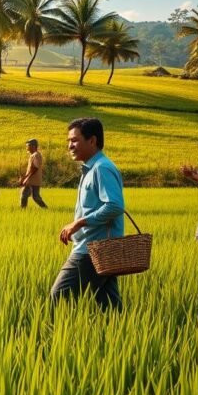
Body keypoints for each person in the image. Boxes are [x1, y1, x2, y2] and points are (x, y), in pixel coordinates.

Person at [51, 118, 124, 311]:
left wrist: (79, 223)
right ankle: (120, 335)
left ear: (92, 140)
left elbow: (115, 206)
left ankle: (58, 337)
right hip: (102, 247)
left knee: (59, 296)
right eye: (68, 141)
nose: (70, 146)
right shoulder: (92, 168)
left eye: (74, 140)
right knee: (108, 304)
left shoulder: (101, 168)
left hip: (94, 249)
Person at [19, 138, 47, 209]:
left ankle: (23, 210)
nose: (27, 148)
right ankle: (45, 208)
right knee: (35, 196)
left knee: (25, 195)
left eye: (28, 146)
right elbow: (32, 168)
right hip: (34, 180)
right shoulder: (34, 155)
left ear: (33, 146)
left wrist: (27, 178)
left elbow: (35, 168)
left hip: (32, 180)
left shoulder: (36, 155)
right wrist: (25, 177)